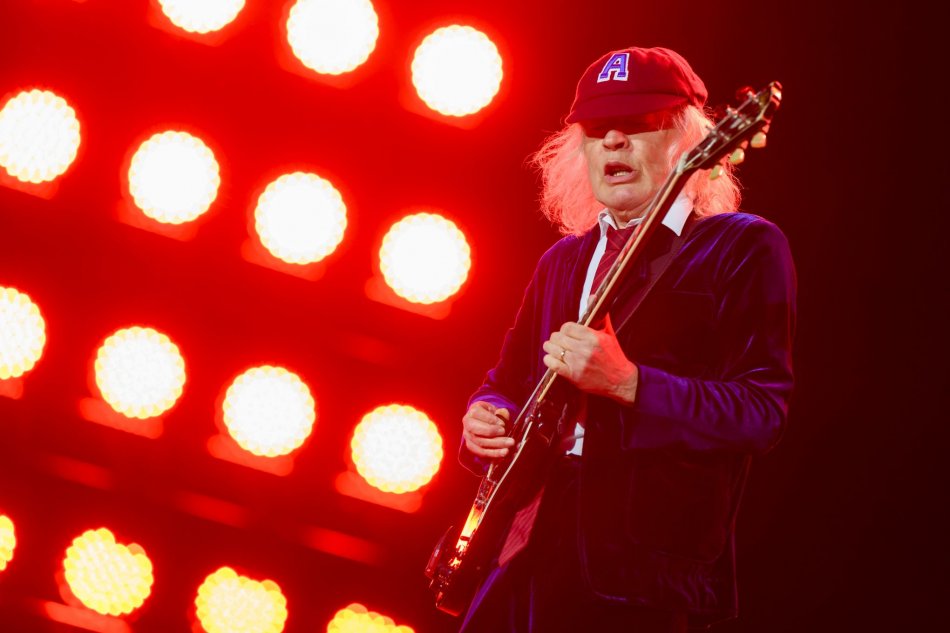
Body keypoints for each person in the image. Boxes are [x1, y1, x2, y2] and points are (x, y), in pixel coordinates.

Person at [457, 46, 796, 632]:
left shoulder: (742, 247)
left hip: (639, 577)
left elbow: (761, 413)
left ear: (687, 140)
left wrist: (630, 383)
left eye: (637, 124)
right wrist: (484, 418)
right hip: (519, 550)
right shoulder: (562, 261)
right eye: (596, 129)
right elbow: (505, 385)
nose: (613, 141)